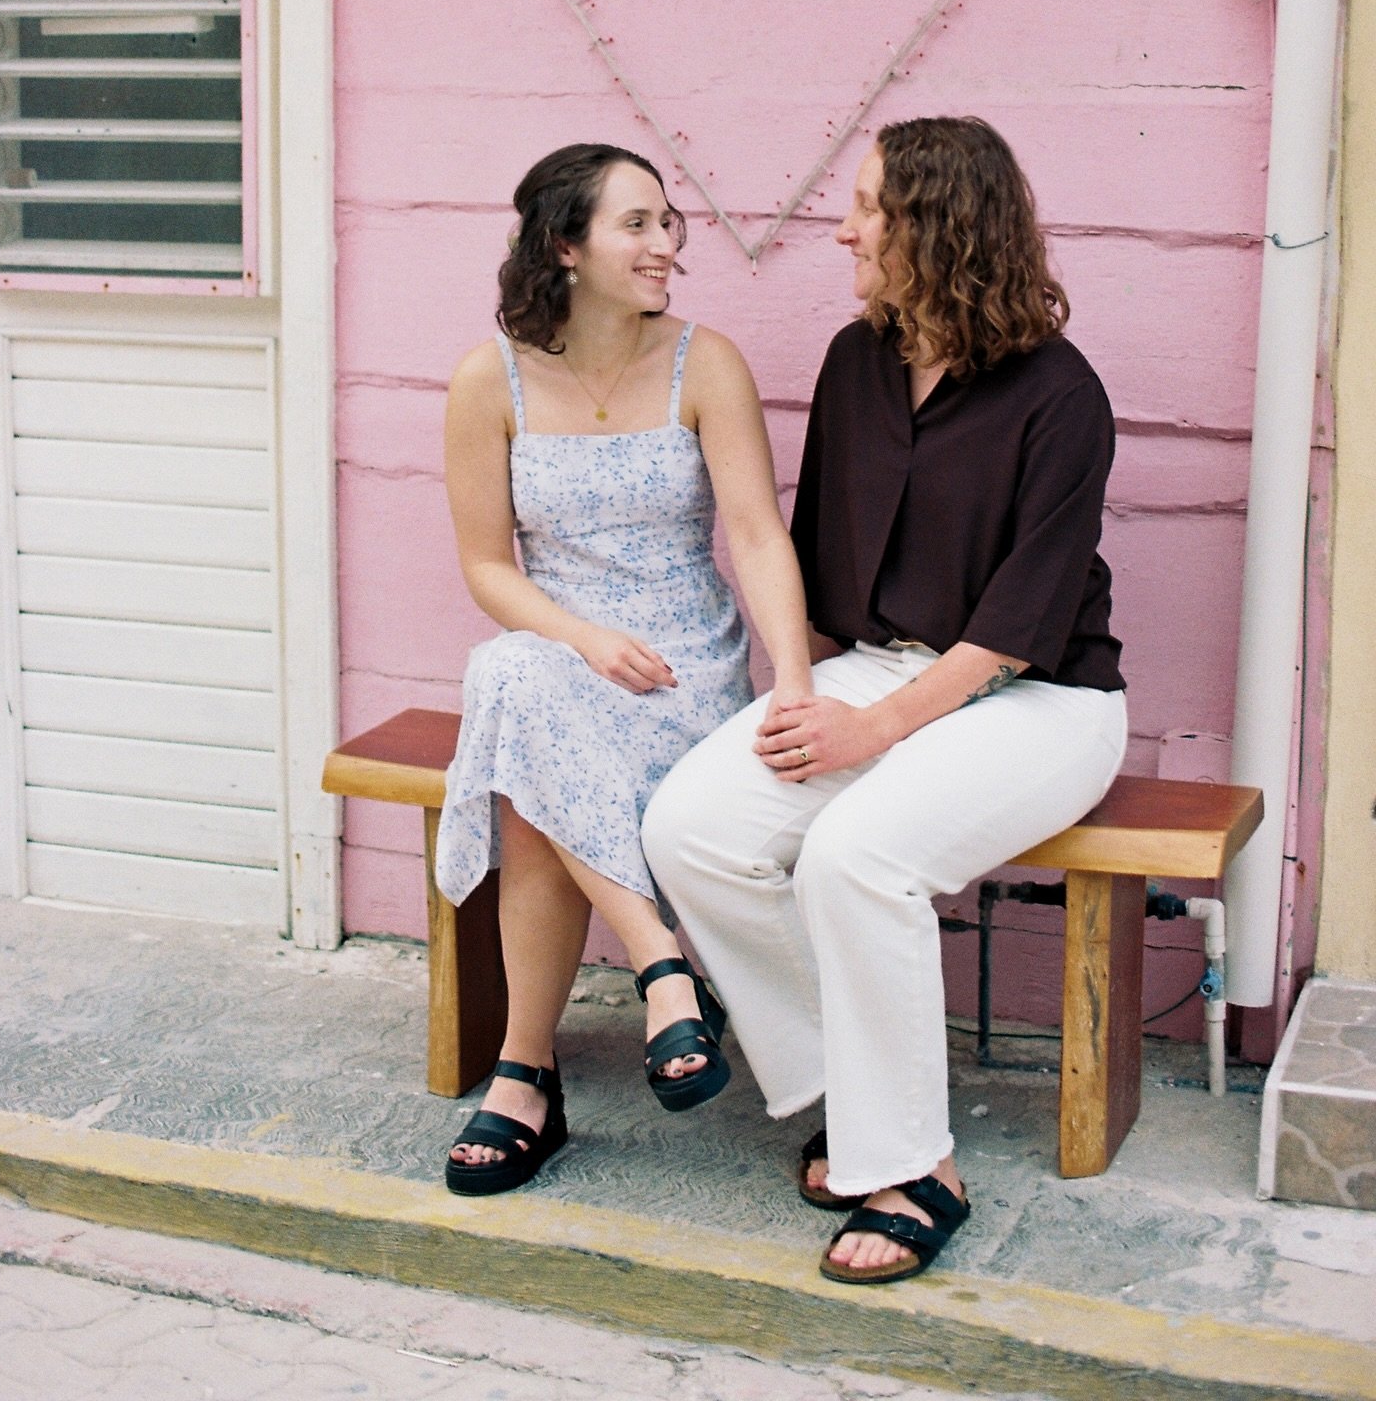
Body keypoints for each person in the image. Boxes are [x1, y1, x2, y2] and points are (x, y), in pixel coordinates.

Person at [643, 115, 1127, 1285]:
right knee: (692, 827)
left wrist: (868, 730)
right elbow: (822, 553)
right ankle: (859, 1100)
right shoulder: (856, 362)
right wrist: (796, 697)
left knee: (854, 856)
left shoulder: (1062, 396)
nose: (844, 230)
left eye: (868, 208)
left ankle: (915, 1167)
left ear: (939, 227)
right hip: (878, 666)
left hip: (1040, 697)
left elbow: (1019, 621)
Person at [437, 142, 811, 1196]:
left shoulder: (706, 362)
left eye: (666, 222)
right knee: (516, 677)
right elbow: (486, 567)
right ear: (566, 245)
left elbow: (757, 534)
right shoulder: (488, 380)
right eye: (636, 225)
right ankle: (661, 965)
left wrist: (793, 677)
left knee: (528, 770)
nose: (665, 245)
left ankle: (526, 1077)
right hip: (565, 655)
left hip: (683, 673)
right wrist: (582, 638)